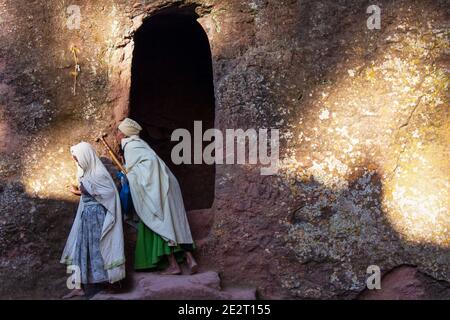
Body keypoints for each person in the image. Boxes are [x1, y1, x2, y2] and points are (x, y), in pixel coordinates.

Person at [116, 118, 198, 275]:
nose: (117, 134)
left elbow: (140, 173)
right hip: (166, 185)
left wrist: (127, 175)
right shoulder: (141, 145)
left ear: (125, 134)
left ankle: (174, 265)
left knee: (158, 223)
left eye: (119, 131)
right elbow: (146, 165)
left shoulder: (131, 147)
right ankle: (190, 259)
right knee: (174, 224)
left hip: (156, 188)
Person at [60, 142, 126, 298]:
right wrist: (78, 191)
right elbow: (89, 193)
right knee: (81, 250)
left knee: (100, 250)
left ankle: (112, 284)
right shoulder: (86, 174)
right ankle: (79, 287)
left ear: (85, 157)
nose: (76, 162)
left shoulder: (98, 174)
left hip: (97, 219)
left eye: (77, 159)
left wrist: (86, 188)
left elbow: (109, 194)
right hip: (86, 218)